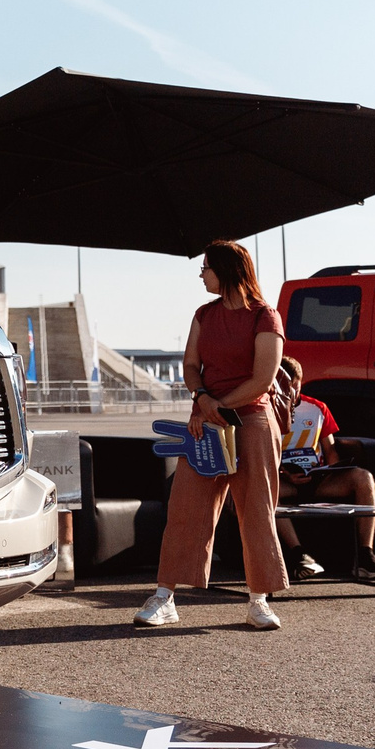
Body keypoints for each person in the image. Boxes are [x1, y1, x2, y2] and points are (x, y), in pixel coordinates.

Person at [137, 240, 289, 631]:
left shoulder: (265, 316)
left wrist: (215, 406)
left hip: (251, 420)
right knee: (186, 507)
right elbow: (190, 365)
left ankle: (259, 601)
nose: (201, 275)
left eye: (205, 268)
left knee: (256, 509)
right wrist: (203, 399)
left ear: (226, 270)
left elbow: (262, 379)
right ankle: (164, 597)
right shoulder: (204, 314)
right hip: (204, 420)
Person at [271, 356, 375, 581]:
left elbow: (331, 451)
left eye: (296, 388)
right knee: (265, 489)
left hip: (319, 479)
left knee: (363, 477)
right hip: (285, 482)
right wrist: (283, 472)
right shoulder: (266, 410)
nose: (292, 395)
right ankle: (300, 557)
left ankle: (366, 556)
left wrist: (331, 470)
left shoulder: (317, 408)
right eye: (286, 389)